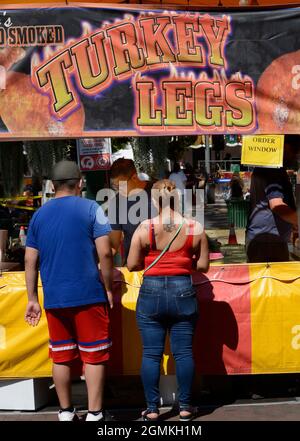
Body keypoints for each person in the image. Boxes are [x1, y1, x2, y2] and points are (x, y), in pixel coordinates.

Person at [24, 160, 113, 422]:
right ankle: (95, 414)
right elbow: (105, 252)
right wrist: (108, 287)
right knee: (94, 356)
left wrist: (32, 298)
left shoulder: (38, 215)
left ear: (52, 185)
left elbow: (30, 260)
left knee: (61, 355)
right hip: (89, 295)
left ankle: (64, 411)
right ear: (81, 182)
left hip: (54, 297)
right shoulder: (92, 208)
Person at [127, 179, 209, 421]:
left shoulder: (145, 228)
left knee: (151, 354)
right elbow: (203, 265)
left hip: (151, 291)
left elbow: (131, 264)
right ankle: (184, 407)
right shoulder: (195, 227)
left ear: (153, 200)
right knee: (183, 353)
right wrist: (184, 262)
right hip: (183, 289)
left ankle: (152, 409)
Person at [246, 135, 300, 263]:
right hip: (269, 242)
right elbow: (277, 206)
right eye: (294, 152)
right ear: (285, 147)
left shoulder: (262, 167)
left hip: (263, 239)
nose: (295, 157)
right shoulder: (273, 170)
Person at [109, 158, 154, 263]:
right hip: (134, 266)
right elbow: (113, 246)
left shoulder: (158, 191)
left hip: (160, 264)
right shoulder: (116, 203)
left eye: (121, 186)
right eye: (115, 186)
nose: (118, 190)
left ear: (134, 177)